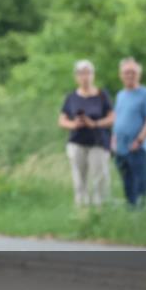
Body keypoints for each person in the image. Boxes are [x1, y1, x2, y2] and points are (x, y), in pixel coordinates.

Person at [58, 60, 115, 208]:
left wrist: (94, 123)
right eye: (81, 73)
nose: (85, 77)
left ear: (93, 75)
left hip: (98, 142)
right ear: (76, 76)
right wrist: (74, 124)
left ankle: (100, 211)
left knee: (99, 180)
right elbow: (62, 120)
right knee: (79, 181)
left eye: (88, 73)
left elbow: (112, 118)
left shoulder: (102, 95)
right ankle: (81, 212)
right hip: (77, 142)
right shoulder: (71, 97)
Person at [111, 57, 146, 207]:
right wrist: (113, 140)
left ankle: (144, 216)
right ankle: (132, 215)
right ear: (121, 75)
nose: (129, 75)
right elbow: (117, 119)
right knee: (128, 185)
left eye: (133, 72)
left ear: (139, 74)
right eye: (126, 72)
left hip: (137, 148)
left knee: (141, 186)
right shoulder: (120, 95)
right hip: (121, 148)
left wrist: (139, 140)